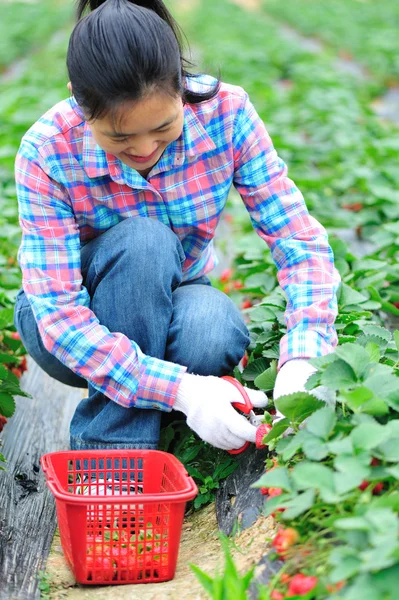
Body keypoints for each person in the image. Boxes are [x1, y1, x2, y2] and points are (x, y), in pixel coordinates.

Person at [13, 0, 340, 454]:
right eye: (119, 137)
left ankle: (151, 397)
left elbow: (296, 237)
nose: (145, 148)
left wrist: (305, 352)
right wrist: (185, 392)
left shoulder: (228, 114)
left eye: (163, 127)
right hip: (66, 325)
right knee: (144, 240)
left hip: (175, 295)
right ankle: (112, 452)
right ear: (78, 99)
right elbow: (60, 316)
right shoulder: (47, 151)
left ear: (181, 89)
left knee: (215, 334)